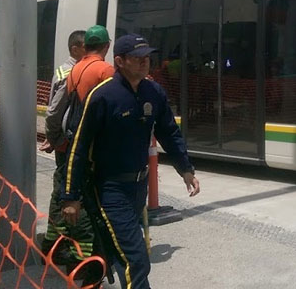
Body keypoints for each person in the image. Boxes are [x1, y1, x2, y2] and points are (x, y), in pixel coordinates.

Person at [61, 34, 200, 289]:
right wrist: (70, 196)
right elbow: (78, 148)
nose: (145, 63)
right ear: (120, 61)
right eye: (137, 59)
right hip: (109, 189)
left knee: (119, 250)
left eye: (147, 58)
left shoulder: (153, 92)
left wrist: (186, 170)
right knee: (136, 259)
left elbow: (169, 132)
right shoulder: (102, 96)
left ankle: (93, 278)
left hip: (138, 187)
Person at [40, 30, 89, 268]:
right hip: (69, 144)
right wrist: (56, 139)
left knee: (60, 191)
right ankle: (65, 248)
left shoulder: (64, 70)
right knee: (68, 193)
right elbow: (55, 111)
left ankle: (53, 242)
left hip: (65, 143)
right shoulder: (70, 72)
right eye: (85, 47)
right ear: (74, 49)